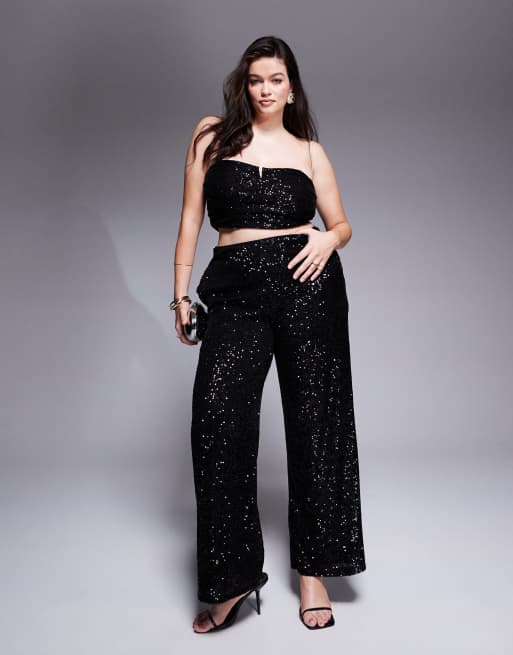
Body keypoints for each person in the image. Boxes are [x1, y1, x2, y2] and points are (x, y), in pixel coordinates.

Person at [171, 35, 366, 633]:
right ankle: (231, 578)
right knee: (218, 419)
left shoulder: (310, 151)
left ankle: (315, 572)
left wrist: (328, 240)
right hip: (235, 292)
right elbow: (190, 217)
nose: (265, 89)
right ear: (244, 84)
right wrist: (180, 294)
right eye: (256, 79)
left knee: (317, 424)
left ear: (291, 88)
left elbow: (342, 223)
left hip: (308, 288)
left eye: (276, 79)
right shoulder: (210, 136)